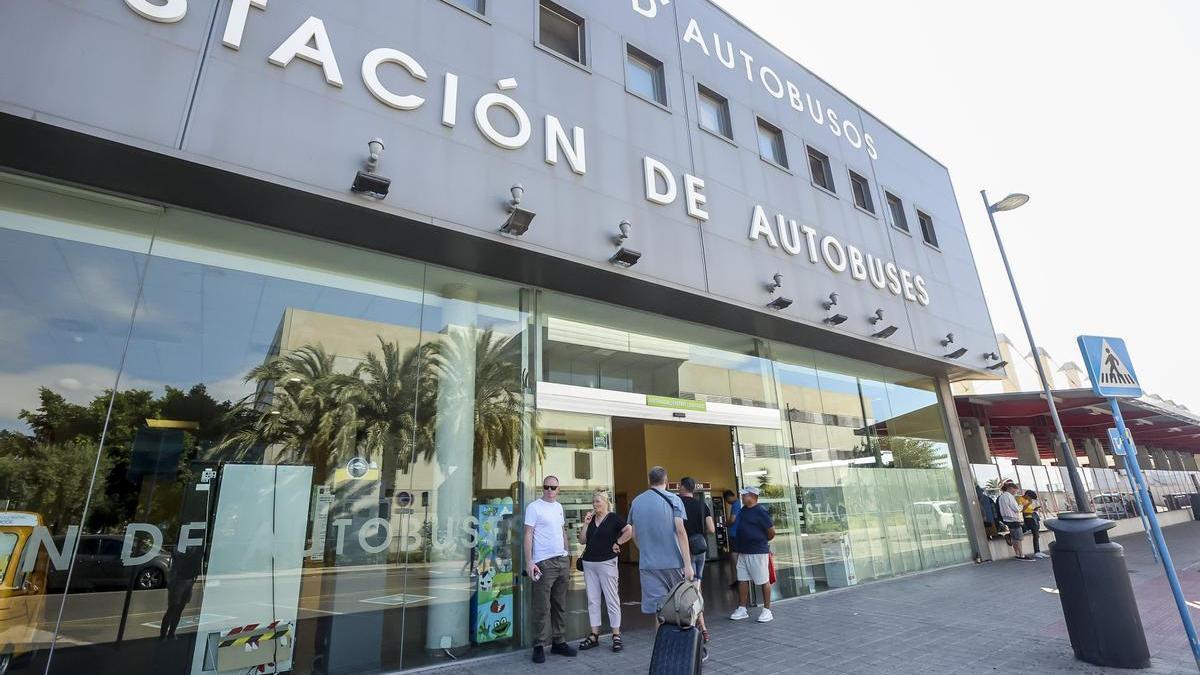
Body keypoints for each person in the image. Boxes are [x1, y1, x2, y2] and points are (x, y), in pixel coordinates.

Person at [627, 466, 694, 619]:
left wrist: (644, 550)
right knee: (680, 607)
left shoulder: (636, 501)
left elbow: (633, 533)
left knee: (660, 610)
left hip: (648, 564)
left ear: (649, 481)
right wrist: (688, 564)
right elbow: (681, 531)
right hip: (673, 563)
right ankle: (680, 642)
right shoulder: (674, 499)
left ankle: (662, 642)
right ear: (666, 480)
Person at [524, 475, 577, 663]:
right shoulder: (534, 507)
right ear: (542, 488)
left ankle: (558, 642)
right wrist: (529, 562)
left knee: (560, 605)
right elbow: (528, 535)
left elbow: (562, 531)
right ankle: (538, 645)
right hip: (543, 563)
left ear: (558, 489)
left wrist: (568, 553)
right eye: (546, 487)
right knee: (541, 607)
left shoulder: (558, 507)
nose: (550, 490)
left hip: (561, 560)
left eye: (553, 487)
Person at [577, 489, 632, 653]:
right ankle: (594, 634)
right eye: (594, 502)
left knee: (611, 598)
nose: (595, 505)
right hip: (589, 564)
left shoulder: (614, 518)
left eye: (598, 502)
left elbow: (629, 530)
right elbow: (582, 541)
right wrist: (586, 524)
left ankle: (616, 634)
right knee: (592, 599)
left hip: (607, 562)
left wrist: (619, 543)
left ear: (606, 502)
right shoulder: (591, 519)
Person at [729, 486, 775, 623]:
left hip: (757, 551)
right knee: (742, 579)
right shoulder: (743, 511)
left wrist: (761, 541)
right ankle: (742, 608)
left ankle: (767, 610)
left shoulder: (761, 512)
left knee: (763, 580)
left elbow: (771, 532)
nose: (742, 497)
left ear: (752, 496)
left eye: (744, 495)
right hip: (743, 551)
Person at [678, 477, 715, 644]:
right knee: (697, 587)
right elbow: (712, 529)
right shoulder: (702, 505)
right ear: (693, 489)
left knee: (689, 590)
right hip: (700, 549)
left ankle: (699, 626)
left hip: (686, 551)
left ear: (681, 487)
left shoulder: (677, 503)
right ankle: (701, 626)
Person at [998, 480, 1032, 561]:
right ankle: (1021, 555)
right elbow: (1016, 509)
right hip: (1013, 519)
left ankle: (1017, 554)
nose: (1015, 493)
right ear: (1011, 489)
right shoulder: (1009, 496)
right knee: (1018, 538)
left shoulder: (1001, 497)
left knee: (1013, 537)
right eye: (1015, 491)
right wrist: (1022, 505)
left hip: (1006, 519)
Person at [1018, 489, 1048, 559]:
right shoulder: (1021, 499)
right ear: (1027, 495)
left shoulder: (1029, 500)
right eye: (1030, 497)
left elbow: (1029, 510)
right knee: (1034, 533)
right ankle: (1037, 552)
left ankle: (1037, 551)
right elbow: (1021, 510)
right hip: (1028, 518)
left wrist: (1034, 509)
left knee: (1036, 534)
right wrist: (1029, 504)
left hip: (1033, 517)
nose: (1030, 499)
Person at [723, 488, 741, 590]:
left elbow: (733, 519)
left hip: (734, 535)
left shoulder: (735, 504)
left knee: (734, 557)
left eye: (726, 500)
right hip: (737, 534)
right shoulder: (739, 503)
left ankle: (737, 580)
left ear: (729, 497)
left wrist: (726, 524)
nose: (727, 502)